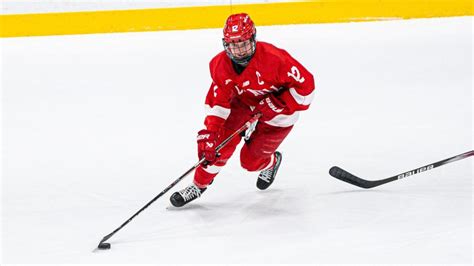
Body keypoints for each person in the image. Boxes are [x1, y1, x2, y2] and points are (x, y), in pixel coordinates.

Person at [170, 13, 315, 207]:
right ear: (225, 44)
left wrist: (278, 103)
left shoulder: (276, 59)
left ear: (253, 38)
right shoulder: (219, 65)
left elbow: (307, 89)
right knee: (217, 146)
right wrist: (211, 132)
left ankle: (272, 161)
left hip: (279, 115)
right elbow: (218, 100)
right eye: (233, 44)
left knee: (250, 162)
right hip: (242, 104)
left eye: (243, 43)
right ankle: (198, 185)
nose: (238, 50)